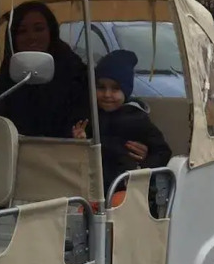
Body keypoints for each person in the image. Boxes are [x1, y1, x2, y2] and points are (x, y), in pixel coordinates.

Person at [72, 49, 170, 198]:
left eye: (115, 89)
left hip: (126, 187)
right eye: (101, 87)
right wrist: (81, 140)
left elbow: (162, 151)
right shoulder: (90, 115)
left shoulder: (137, 118)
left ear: (126, 90)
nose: (107, 94)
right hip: (93, 187)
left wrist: (145, 163)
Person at [0, 1, 91, 138]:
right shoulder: (2, 82)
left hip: (64, 153)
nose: (31, 37)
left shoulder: (76, 74)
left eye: (39, 29)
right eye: (22, 31)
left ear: (51, 32)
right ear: (12, 38)